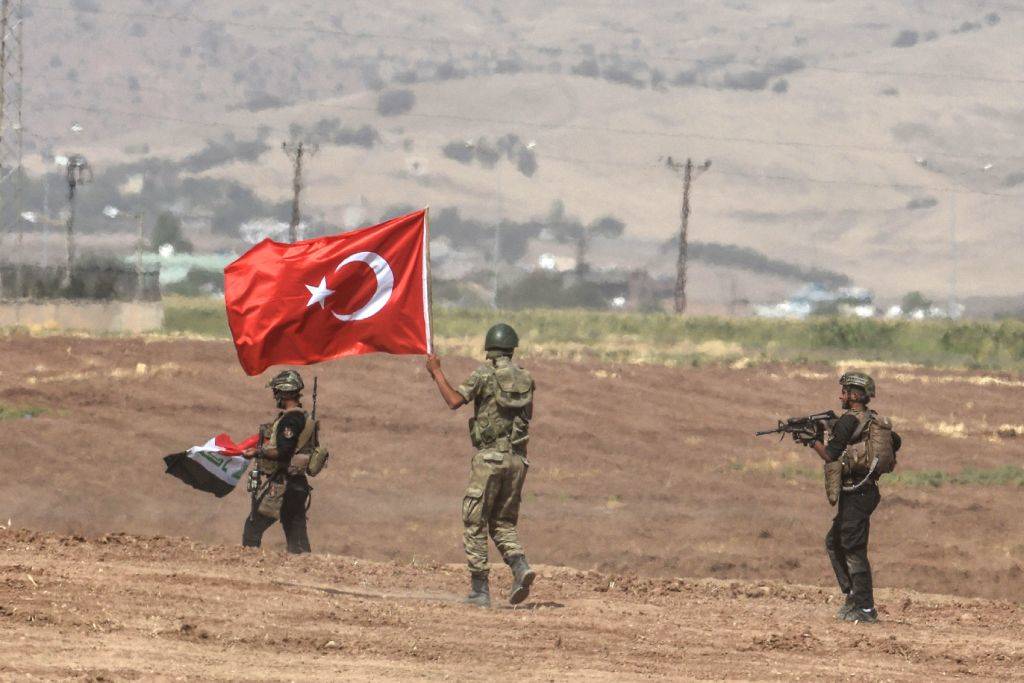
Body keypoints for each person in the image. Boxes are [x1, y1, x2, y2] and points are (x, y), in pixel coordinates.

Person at [425, 323, 536, 608]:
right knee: (503, 522)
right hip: (517, 460)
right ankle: (520, 566)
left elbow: (453, 401)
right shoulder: (525, 379)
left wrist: (436, 371)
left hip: (489, 460)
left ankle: (479, 590)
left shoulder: (484, 375)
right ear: (512, 348)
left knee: (475, 523)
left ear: (489, 349)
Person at [808, 371, 901, 623]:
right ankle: (852, 596)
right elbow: (896, 441)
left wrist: (812, 440)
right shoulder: (870, 420)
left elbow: (830, 455)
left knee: (852, 547)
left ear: (855, 395)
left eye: (845, 392)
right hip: (862, 491)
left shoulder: (851, 421)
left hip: (858, 492)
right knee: (834, 541)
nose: (841, 396)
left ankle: (865, 608)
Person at [241, 369, 316, 554]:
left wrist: (256, 453)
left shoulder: (290, 420)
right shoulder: (304, 417)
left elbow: (283, 452)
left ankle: (249, 571)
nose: (275, 396)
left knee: (252, 527)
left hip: (284, 485)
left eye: (277, 391)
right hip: (298, 485)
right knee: (296, 537)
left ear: (284, 392)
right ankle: (304, 571)